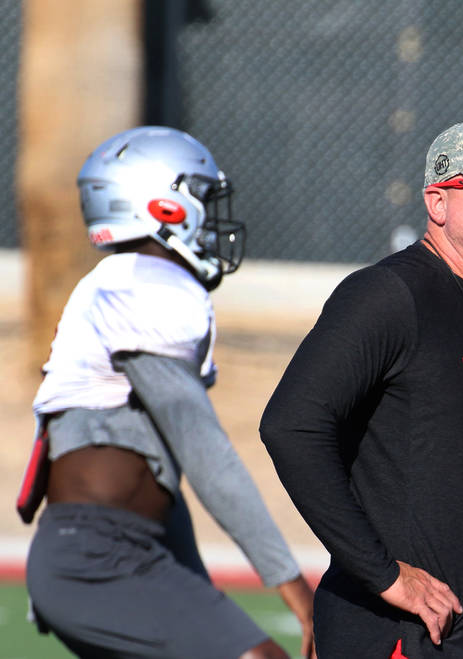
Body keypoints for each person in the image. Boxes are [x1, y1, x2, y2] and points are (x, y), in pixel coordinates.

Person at [259, 119, 463, 658]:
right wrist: (383, 574)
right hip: (402, 636)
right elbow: (291, 424)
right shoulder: (387, 294)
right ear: (438, 202)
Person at [17, 126, 315, 659]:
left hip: (112, 551)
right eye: (202, 197)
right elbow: (202, 448)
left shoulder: (119, 283)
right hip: (97, 557)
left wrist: (196, 587)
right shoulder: (146, 285)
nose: (214, 217)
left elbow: (157, 472)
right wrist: (293, 585)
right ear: (166, 207)